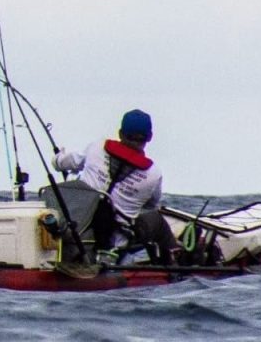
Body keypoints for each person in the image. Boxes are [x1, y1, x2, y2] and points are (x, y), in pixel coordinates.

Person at [52, 109, 179, 264]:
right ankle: (174, 264)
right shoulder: (154, 174)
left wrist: (57, 159)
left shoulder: (97, 147)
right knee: (157, 221)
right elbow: (151, 204)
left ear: (120, 133)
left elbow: (65, 162)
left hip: (79, 230)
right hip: (119, 240)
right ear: (150, 137)